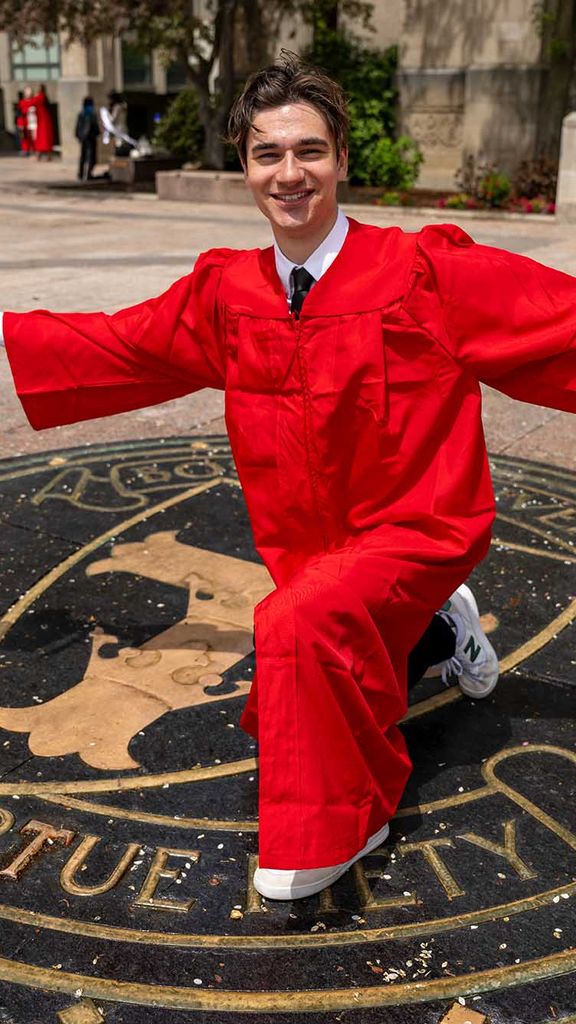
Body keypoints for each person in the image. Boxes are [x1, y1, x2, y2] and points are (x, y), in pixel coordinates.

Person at [1, 53, 574, 903]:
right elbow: (123, 345)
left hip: (418, 525)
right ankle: (441, 633)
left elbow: (559, 326)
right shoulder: (228, 294)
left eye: (309, 151)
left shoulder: (423, 273)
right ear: (246, 168)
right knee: (325, 625)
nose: (289, 172)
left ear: (341, 156)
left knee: (300, 626)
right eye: (269, 154)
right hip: (311, 544)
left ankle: (349, 819)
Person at [19, 83, 54, 160]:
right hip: (40, 120)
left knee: (42, 138)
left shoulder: (39, 96)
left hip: (41, 120)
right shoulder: (42, 96)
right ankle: (43, 155)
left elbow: (31, 103)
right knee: (41, 138)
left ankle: (40, 155)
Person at [99, 90, 137, 156]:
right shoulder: (123, 106)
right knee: (123, 144)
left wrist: (107, 115)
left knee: (119, 146)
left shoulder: (117, 107)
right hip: (124, 127)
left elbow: (112, 119)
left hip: (118, 129)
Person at [75, 96, 100, 181]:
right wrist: (97, 132)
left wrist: (79, 136)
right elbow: (94, 126)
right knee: (90, 157)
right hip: (90, 138)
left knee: (83, 157)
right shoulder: (91, 114)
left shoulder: (81, 113)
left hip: (83, 138)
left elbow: (78, 127)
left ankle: (81, 174)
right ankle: (88, 174)